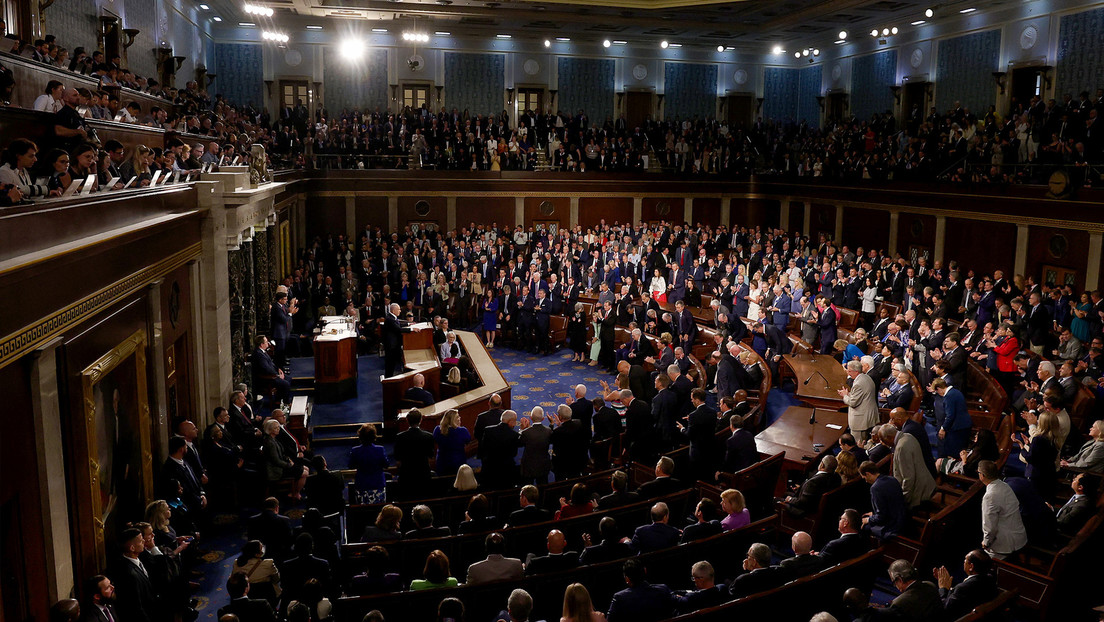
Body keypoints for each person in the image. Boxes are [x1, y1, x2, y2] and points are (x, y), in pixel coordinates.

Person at [978, 460, 1028, 559]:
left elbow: (990, 527)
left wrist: (986, 542)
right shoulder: (1005, 486)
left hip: (1005, 546)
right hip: (1020, 538)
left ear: (982, 475)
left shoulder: (990, 496)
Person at [107, 528, 157, 622]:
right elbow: (136, 606)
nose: (143, 541)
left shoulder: (140, 558)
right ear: (132, 548)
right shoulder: (128, 573)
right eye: (140, 540)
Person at [933, 550, 999, 620]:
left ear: (971, 566)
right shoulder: (989, 580)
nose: (964, 561)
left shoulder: (963, 589)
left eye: (965, 559)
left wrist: (943, 588)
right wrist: (949, 587)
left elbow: (943, 610)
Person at [607, 558, 675, 622]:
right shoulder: (663, 589)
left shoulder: (619, 598)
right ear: (645, 571)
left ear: (627, 579)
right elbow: (682, 602)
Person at [889, 423, 937, 509]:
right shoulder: (907, 436)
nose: (882, 443)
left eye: (882, 439)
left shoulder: (901, 447)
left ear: (888, 437)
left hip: (918, 491)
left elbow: (908, 478)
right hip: (925, 483)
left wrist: (904, 499)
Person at [261, 419, 307, 500]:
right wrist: (289, 465)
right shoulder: (270, 443)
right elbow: (276, 461)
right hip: (276, 470)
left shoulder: (274, 439)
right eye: (276, 428)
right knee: (304, 473)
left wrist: (289, 460)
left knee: (305, 468)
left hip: (281, 466)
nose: (278, 429)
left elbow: (282, 454)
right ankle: (295, 493)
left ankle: (296, 490)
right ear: (270, 430)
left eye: (278, 427)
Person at [859, 460, 906, 539]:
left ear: (868, 474)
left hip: (891, 526)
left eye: (864, 478)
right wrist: (873, 514)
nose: (866, 481)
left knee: (863, 527)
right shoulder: (892, 479)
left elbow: (881, 517)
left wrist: (869, 519)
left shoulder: (875, 488)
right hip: (902, 520)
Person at [481, 410, 526, 489]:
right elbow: (520, 444)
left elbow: (483, 449)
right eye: (515, 421)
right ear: (510, 421)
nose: (515, 424)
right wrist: (522, 430)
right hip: (506, 471)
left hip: (489, 468)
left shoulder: (488, 430)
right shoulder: (513, 435)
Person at [839, 360, 879, 443]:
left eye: (849, 371)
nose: (847, 373)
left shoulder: (858, 383)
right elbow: (860, 396)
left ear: (856, 371)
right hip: (868, 416)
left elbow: (853, 403)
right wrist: (848, 394)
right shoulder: (866, 377)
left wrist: (844, 396)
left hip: (861, 420)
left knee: (858, 444)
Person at [232, 540, 281, 606]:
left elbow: (234, 580)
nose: (263, 549)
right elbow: (276, 579)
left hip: (247, 598)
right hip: (268, 597)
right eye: (261, 548)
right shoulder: (268, 564)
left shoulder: (236, 563)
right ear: (257, 554)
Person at [348, 423, 388, 504]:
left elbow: (350, 465)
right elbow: (386, 465)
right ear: (374, 436)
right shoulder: (380, 449)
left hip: (362, 484)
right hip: (377, 484)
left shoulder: (355, 450)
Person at [932, 378, 972, 458]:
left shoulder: (949, 397)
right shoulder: (956, 391)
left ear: (939, 388)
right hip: (965, 425)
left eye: (936, 391)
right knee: (961, 450)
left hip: (958, 428)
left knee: (953, 452)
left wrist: (943, 428)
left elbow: (950, 415)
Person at [1055, 472, 1097, 537]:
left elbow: (1064, 522)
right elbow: (1063, 511)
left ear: (1080, 487)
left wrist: (1046, 516)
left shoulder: (1082, 505)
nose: (1073, 479)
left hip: (1059, 532)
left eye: (1075, 480)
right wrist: (1050, 508)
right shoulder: (1079, 497)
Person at [432, 409, 471, 476]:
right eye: (458, 417)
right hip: (458, 463)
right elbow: (468, 441)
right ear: (453, 420)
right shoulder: (462, 431)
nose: (460, 418)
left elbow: (435, 440)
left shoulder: (437, 430)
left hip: (442, 463)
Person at [383, 303, 404, 377]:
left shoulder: (392, 317)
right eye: (398, 309)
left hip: (394, 345)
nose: (400, 311)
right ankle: (388, 380)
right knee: (390, 364)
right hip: (391, 346)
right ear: (393, 310)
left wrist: (408, 324)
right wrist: (411, 329)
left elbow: (398, 324)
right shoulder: (390, 319)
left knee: (392, 364)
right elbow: (398, 329)